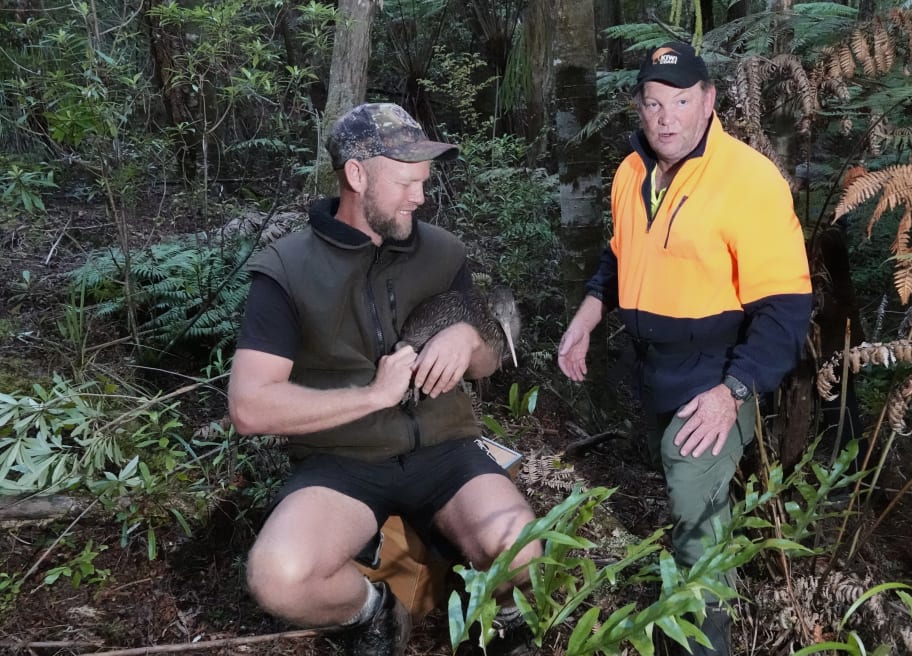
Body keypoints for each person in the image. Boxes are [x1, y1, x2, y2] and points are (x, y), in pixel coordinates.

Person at [228, 102, 540, 656]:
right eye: (405, 182)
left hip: (447, 449)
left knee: (523, 547)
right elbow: (250, 408)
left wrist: (470, 339)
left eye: (423, 182)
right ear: (356, 175)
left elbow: (492, 359)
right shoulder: (286, 269)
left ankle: (491, 616)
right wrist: (373, 395)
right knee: (278, 575)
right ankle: (371, 613)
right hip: (341, 462)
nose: (420, 197)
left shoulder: (442, 251)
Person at [557, 43, 812, 655]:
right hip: (653, 371)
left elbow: (786, 309)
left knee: (692, 501)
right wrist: (587, 316)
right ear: (640, 108)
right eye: (653, 103)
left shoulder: (749, 180)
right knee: (684, 497)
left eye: (680, 101)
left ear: (708, 102)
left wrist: (734, 393)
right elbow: (619, 256)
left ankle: (704, 642)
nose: (666, 116)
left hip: (720, 373)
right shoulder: (631, 172)